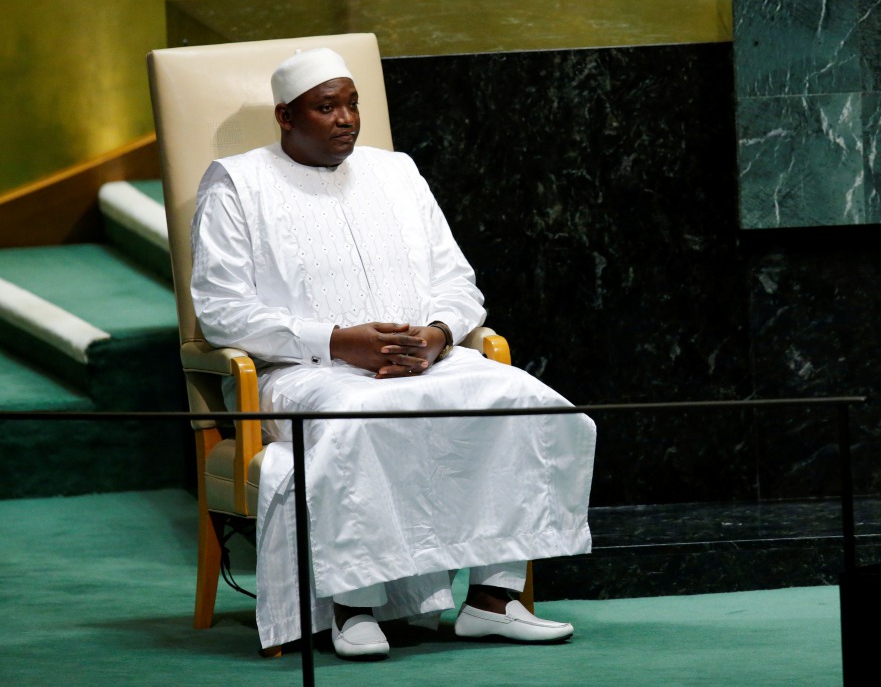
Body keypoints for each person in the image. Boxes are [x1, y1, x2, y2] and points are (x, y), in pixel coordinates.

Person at [190, 47, 596, 658]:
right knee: (360, 423)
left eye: (351, 103)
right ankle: (352, 608)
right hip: (301, 373)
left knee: (525, 401)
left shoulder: (397, 171)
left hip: (423, 360)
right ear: (285, 116)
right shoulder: (237, 184)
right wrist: (335, 341)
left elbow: (459, 283)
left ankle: (492, 598)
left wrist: (436, 336)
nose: (346, 118)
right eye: (326, 107)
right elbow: (221, 309)